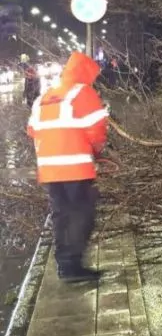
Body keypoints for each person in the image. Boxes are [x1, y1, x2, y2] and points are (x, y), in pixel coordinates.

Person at [27, 51, 108, 282]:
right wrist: (97, 152)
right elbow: (97, 130)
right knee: (82, 213)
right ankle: (73, 267)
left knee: (61, 215)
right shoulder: (83, 92)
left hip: (50, 170)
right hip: (76, 167)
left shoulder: (46, 95)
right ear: (86, 73)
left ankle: (64, 265)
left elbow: (32, 130)